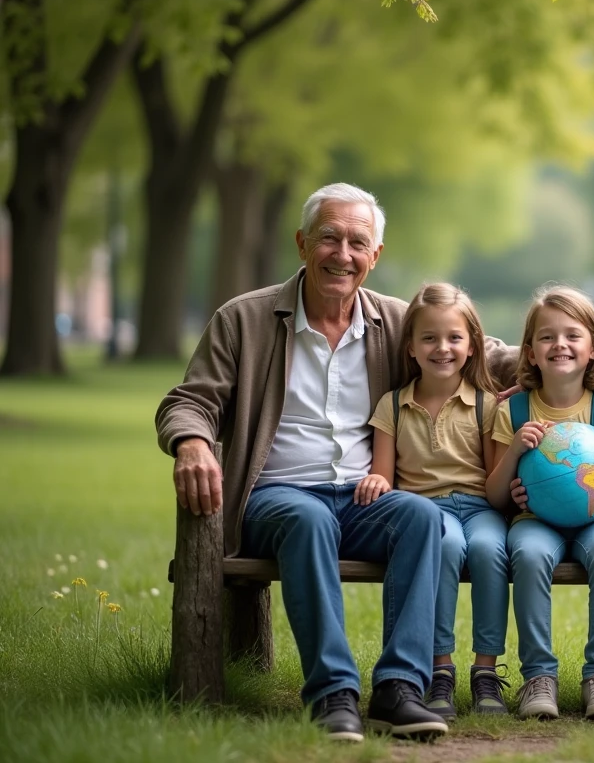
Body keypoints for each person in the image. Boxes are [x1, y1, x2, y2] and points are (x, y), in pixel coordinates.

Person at [155, 184, 516, 743]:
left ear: (375, 257)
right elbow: (189, 401)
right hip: (277, 497)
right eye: (329, 238)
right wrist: (193, 445)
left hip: (362, 494)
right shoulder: (244, 320)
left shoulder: (396, 322)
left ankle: (399, 688)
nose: (342, 254)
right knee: (308, 519)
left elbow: (479, 348)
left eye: (357, 242)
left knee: (422, 517)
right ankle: (333, 693)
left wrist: (561, 347)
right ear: (302, 244)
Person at [355, 283, 510, 723]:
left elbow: (494, 478)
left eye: (454, 338)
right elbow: (384, 475)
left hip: (480, 509)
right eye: (429, 338)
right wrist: (374, 483)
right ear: (410, 348)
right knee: (444, 547)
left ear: (472, 346)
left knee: (487, 550)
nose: (442, 348)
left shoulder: (485, 404)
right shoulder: (393, 406)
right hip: (425, 513)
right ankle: (439, 668)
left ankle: (486, 670)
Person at [486, 285, 594, 721]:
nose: (560, 345)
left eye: (573, 335)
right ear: (530, 352)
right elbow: (495, 497)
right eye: (547, 337)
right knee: (529, 554)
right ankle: (538, 676)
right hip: (534, 519)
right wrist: (515, 452)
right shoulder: (512, 412)